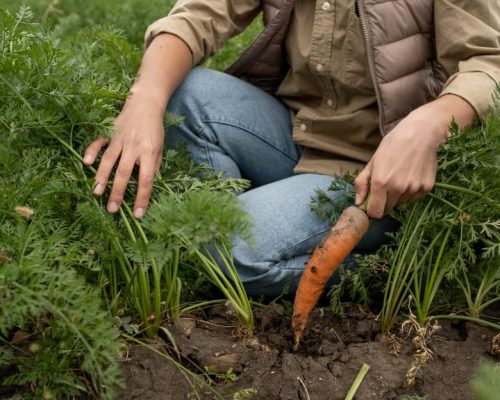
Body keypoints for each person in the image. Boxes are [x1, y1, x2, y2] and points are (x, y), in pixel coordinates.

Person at [83, 0, 500, 297]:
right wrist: (144, 99)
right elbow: (197, 16)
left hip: (377, 177)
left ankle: (393, 266)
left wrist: (429, 123)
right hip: (291, 136)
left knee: (222, 253)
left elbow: (487, 63)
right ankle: (257, 232)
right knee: (184, 94)